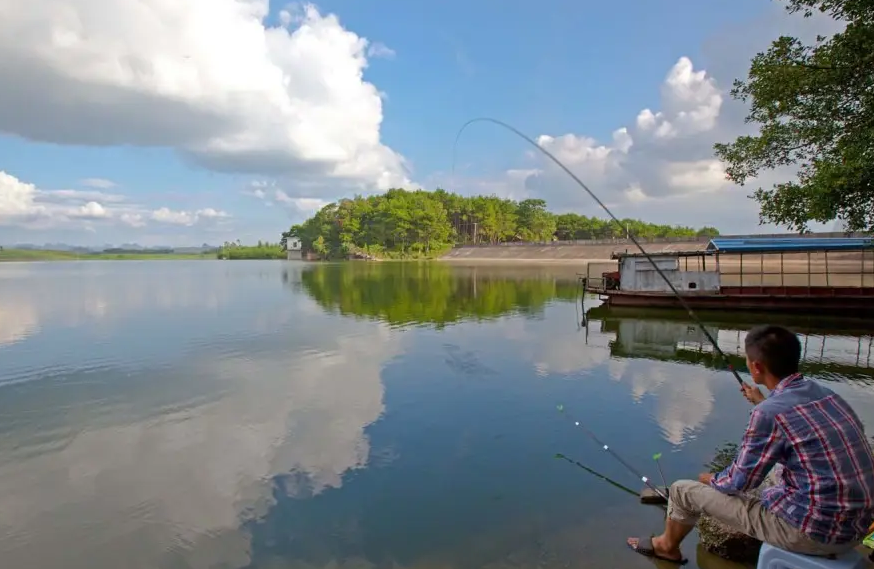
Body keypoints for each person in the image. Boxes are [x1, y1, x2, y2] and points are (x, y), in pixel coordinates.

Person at [627, 325, 874, 565]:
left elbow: (738, 483)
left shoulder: (768, 414)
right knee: (776, 472)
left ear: (756, 367)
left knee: (682, 490)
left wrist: (710, 478)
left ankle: (666, 548)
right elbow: (795, 427)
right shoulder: (827, 395)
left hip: (814, 534)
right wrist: (762, 402)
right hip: (857, 527)